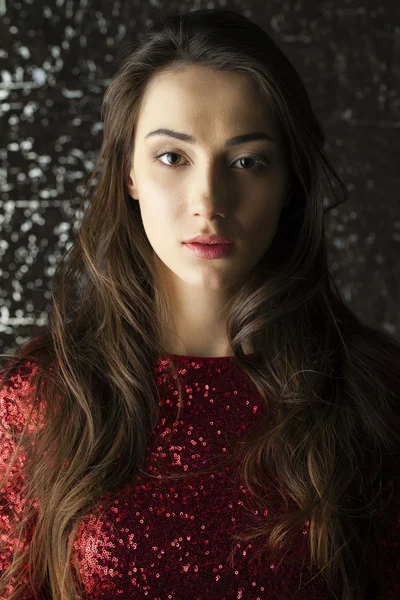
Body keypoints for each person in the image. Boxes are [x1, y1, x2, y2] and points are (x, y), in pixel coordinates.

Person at [0, 8, 399, 600]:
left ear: (288, 180)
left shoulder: (373, 397)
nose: (208, 200)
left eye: (247, 161)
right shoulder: (41, 397)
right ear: (128, 171)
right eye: (172, 157)